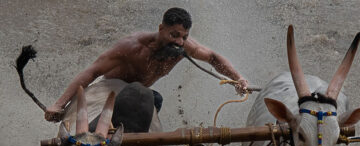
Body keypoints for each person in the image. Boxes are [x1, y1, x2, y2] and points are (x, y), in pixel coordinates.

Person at [45, 7, 248, 122]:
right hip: (110, 90)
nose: (179, 42)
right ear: (161, 28)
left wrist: (237, 78)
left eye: (184, 37)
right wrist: (59, 104)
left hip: (140, 95)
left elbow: (213, 58)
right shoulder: (131, 47)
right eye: (174, 35)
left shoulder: (185, 48)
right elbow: (93, 71)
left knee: (154, 100)